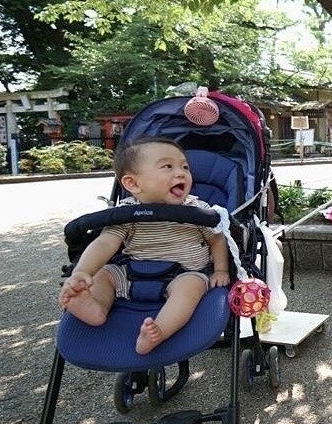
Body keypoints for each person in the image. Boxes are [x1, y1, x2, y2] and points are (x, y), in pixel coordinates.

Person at [59, 137, 231, 355]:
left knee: (191, 288)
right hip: (130, 274)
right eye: (168, 166)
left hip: (184, 274)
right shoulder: (127, 212)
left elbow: (217, 239)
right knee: (104, 275)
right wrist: (83, 271)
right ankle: (94, 306)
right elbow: (104, 242)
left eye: (184, 167)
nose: (181, 173)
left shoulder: (197, 209)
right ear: (133, 184)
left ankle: (159, 330)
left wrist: (221, 270)